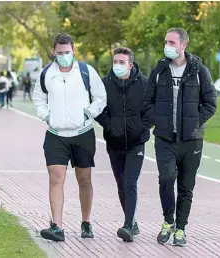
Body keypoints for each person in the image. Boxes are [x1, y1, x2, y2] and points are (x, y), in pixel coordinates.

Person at [142, 28, 217, 246]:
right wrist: (160, 120)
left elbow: (211, 103)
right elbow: (147, 103)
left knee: (186, 186)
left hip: (191, 140)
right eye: (166, 41)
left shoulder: (199, 71)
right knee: (166, 178)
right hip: (165, 139)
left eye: (172, 42)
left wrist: (194, 122)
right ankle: (168, 221)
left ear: (183, 45)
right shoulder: (159, 71)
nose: (168, 46)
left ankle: (181, 229)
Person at [33, 32, 107, 241]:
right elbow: (38, 98)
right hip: (55, 135)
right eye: (59, 53)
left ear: (73, 50)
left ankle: (86, 222)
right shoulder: (47, 73)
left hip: (82, 134)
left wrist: (88, 113)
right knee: (56, 179)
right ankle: (57, 226)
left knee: (84, 179)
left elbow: (101, 97)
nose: (64, 55)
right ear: (54, 52)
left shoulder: (86, 71)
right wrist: (46, 115)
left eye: (67, 52)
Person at [94, 47, 149, 242]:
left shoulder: (144, 83)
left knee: (130, 182)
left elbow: (151, 108)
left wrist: (142, 126)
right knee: (121, 185)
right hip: (114, 143)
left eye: (121, 62)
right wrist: (109, 125)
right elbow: (98, 108)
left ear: (130, 65)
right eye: (115, 62)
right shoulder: (105, 83)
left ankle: (127, 226)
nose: (117, 65)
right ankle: (132, 222)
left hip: (136, 143)